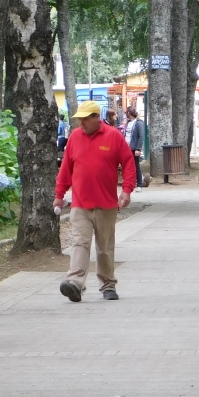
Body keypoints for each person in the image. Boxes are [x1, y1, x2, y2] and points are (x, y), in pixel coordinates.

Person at [54, 101, 136, 303]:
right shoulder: (74, 137)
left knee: (104, 247)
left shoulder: (113, 136)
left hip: (106, 204)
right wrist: (59, 194)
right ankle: (74, 283)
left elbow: (128, 162)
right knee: (79, 243)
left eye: (84, 119)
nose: (81, 123)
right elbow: (66, 169)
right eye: (79, 119)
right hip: (80, 204)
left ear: (95, 117)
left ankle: (108, 285)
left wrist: (126, 190)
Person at [124, 106, 146, 191]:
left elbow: (141, 136)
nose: (126, 114)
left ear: (129, 113)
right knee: (128, 166)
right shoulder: (128, 122)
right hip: (126, 148)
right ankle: (131, 183)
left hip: (134, 148)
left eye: (126, 112)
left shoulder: (139, 123)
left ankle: (139, 184)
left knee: (136, 166)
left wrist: (138, 148)